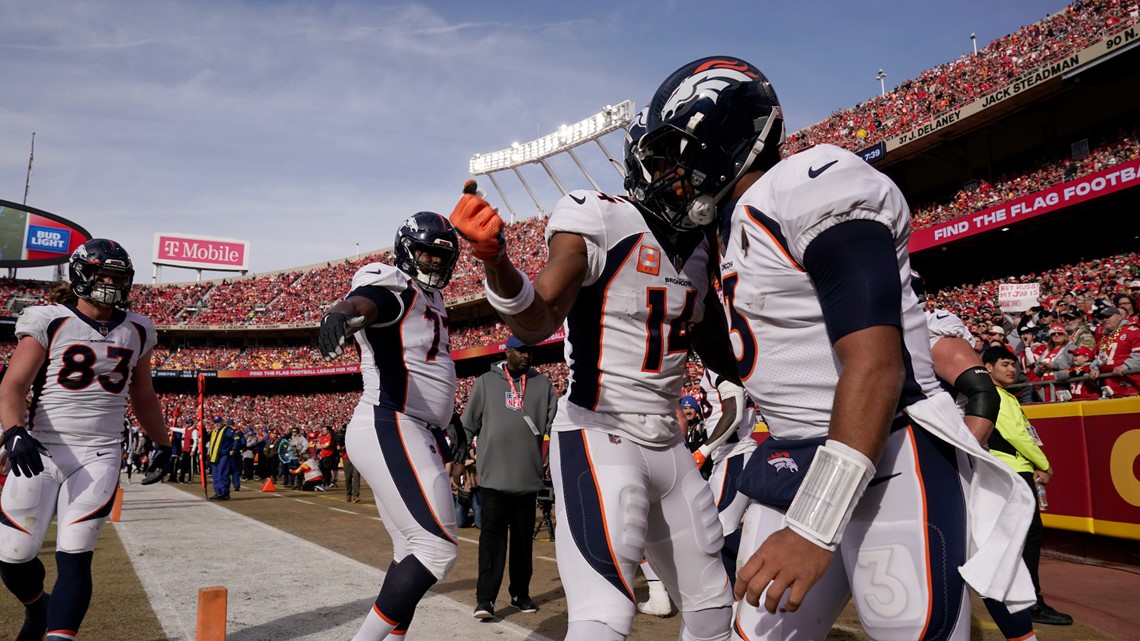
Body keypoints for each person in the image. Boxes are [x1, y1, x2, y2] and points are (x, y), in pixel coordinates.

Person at [627, 56, 1036, 640]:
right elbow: (752, 364)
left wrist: (816, 525)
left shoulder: (812, 181)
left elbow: (875, 361)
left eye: (675, 155)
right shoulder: (729, 229)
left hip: (891, 456)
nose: (669, 175)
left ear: (722, 136)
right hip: (798, 459)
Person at [450, 150, 743, 639]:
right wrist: (498, 263)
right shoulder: (602, 216)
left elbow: (721, 349)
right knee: (604, 616)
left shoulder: (701, 248)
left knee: (715, 614)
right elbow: (539, 316)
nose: (688, 184)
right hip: (600, 431)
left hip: (669, 444)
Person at [0, 238, 171, 641]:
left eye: (118, 276)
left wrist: (163, 443)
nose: (110, 283)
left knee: (76, 553)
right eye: (102, 274)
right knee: (14, 555)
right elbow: (12, 385)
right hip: (41, 446)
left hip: (100, 451)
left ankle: (60, 637)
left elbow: (142, 395)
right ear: (80, 274)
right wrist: (13, 431)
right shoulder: (48, 318)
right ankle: (37, 609)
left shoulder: (138, 328)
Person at [317, 211, 464, 641]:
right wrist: (340, 314)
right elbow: (367, 302)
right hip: (390, 421)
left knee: (409, 551)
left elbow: (424, 365)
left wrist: (448, 416)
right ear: (405, 251)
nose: (435, 263)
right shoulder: (395, 286)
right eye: (426, 253)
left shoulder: (431, 299)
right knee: (436, 548)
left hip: (413, 426)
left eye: (442, 256)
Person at [462, 335, 558, 619]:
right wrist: (459, 458)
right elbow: (468, 425)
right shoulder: (486, 382)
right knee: (491, 540)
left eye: (530, 351)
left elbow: (555, 424)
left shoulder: (543, 384)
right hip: (493, 479)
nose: (527, 355)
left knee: (522, 542)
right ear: (508, 351)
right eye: (521, 351)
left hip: (527, 479)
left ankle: (520, 593)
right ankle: (485, 600)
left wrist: (554, 452)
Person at [982, 346, 1073, 626]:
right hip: (1012, 472)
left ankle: (1020, 596)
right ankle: (1028, 600)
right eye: (1005, 364)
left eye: (1014, 365)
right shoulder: (996, 396)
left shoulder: (997, 395)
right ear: (988, 367)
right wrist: (1043, 463)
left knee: (1017, 537)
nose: (1012, 369)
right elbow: (1016, 435)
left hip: (1006, 470)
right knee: (1029, 535)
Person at [1089, 306, 1140, 397]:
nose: (1104, 319)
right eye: (1101, 318)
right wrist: (1095, 368)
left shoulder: (1132, 331)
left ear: (1119, 316)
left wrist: (1125, 366)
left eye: (1108, 316)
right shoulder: (1103, 338)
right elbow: (1098, 358)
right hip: (1110, 387)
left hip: (1132, 385)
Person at [207, 417, 237, 500]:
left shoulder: (227, 430)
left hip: (223, 456)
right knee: (215, 475)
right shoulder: (214, 431)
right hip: (214, 456)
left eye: (218, 422)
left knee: (222, 474)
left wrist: (233, 449)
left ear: (222, 422)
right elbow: (207, 439)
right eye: (215, 422)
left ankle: (224, 493)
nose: (216, 424)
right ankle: (218, 492)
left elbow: (236, 438)